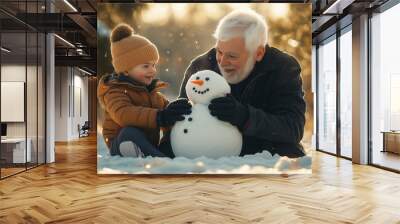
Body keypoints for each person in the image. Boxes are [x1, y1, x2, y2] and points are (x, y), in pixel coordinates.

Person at [178, 9, 306, 158]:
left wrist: (245, 117)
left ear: (258, 53)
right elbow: (180, 123)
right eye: (219, 52)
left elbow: (293, 129)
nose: (223, 62)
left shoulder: (282, 67)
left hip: (266, 154)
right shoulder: (201, 67)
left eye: (232, 56)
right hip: (210, 153)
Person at [98, 23, 191, 158]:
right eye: (146, 66)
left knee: (173, 127)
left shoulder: (152, 94)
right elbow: (124, 114)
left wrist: (177, 110)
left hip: (149, 143)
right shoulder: (114, 91)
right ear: (125, 69)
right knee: (129, 132)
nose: (152, 70)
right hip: (120, 142)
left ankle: (164, 151)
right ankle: (155, 156)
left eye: (153, 65)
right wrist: (160, 117)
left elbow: (167, 112)